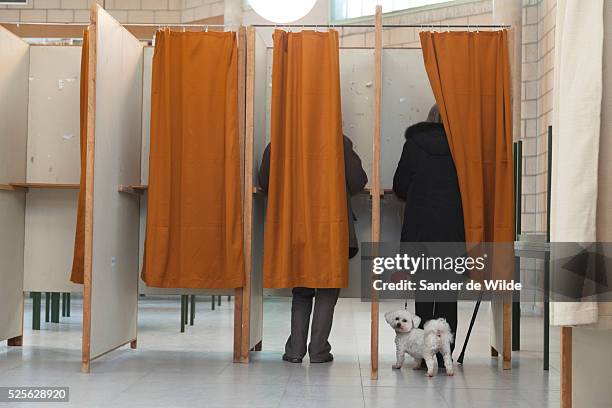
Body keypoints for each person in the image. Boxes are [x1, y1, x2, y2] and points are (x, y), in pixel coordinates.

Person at [259, 135, 367, 364]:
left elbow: (266, 181)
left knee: (301, 288)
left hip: (296, 224)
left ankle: (295, 350)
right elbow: (358, 181)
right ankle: (318, 350)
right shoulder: (339, 140)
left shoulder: (281, 138)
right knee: (328, 288)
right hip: (332, 225)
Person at [392, 105, 465, 368]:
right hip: (453, 230)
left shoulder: (414, 144)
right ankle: (445, 354)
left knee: (423, 291)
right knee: (447, 295)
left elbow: (400, 184)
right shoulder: (462, 145)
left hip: (420, 231)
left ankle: (424, 356)